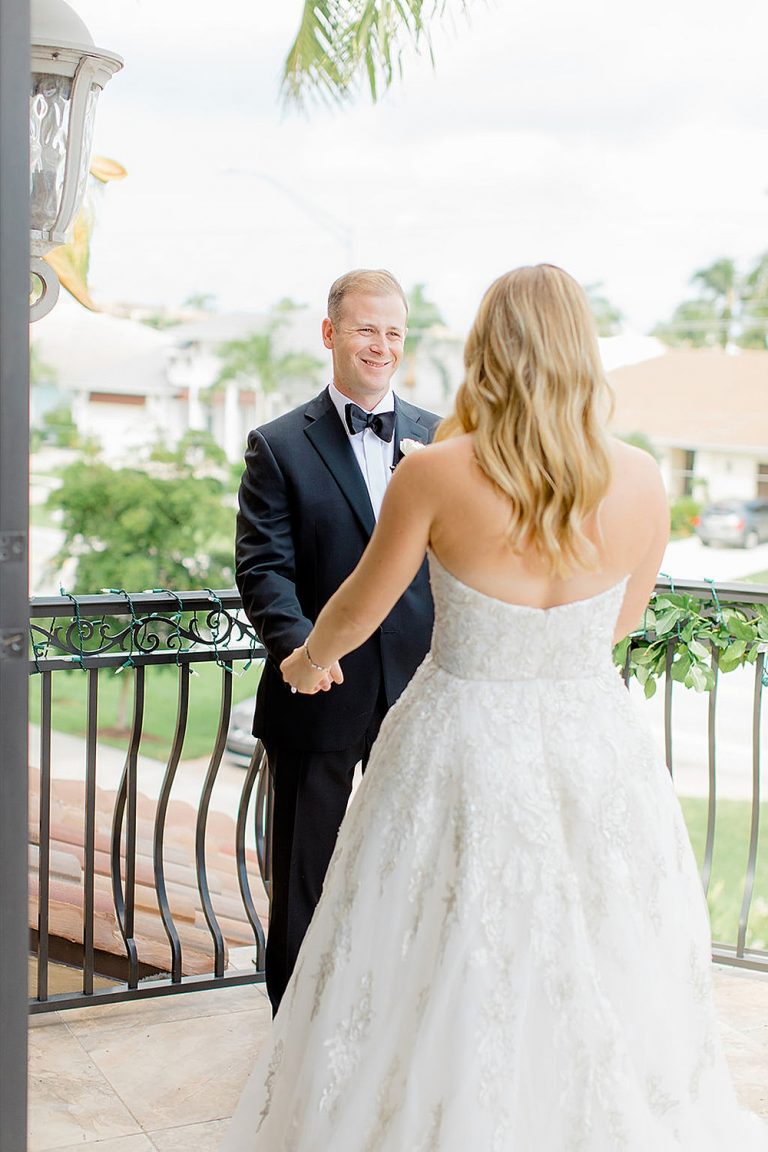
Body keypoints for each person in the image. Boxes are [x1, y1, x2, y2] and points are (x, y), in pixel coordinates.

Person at [223, 265, 767, 1150]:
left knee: (440, 944)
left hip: (461, 742)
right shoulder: (640, 480)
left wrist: (311, 657)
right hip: (594, 747)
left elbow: (360, 603)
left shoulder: (434, 472)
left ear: (489, 353)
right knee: (591, 945)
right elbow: (617, 628)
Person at [235, 269, 441, 1013]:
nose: (380, 345)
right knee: (303, 873)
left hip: (423, 691)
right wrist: (301, 653)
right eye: (364, 329)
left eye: (392, 331)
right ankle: (293, 1031)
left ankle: (392, 1019)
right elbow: (264, 568)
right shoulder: (278, 445)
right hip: (316, 689)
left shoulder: (443, 439)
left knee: (413, 864)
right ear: (330, 334)